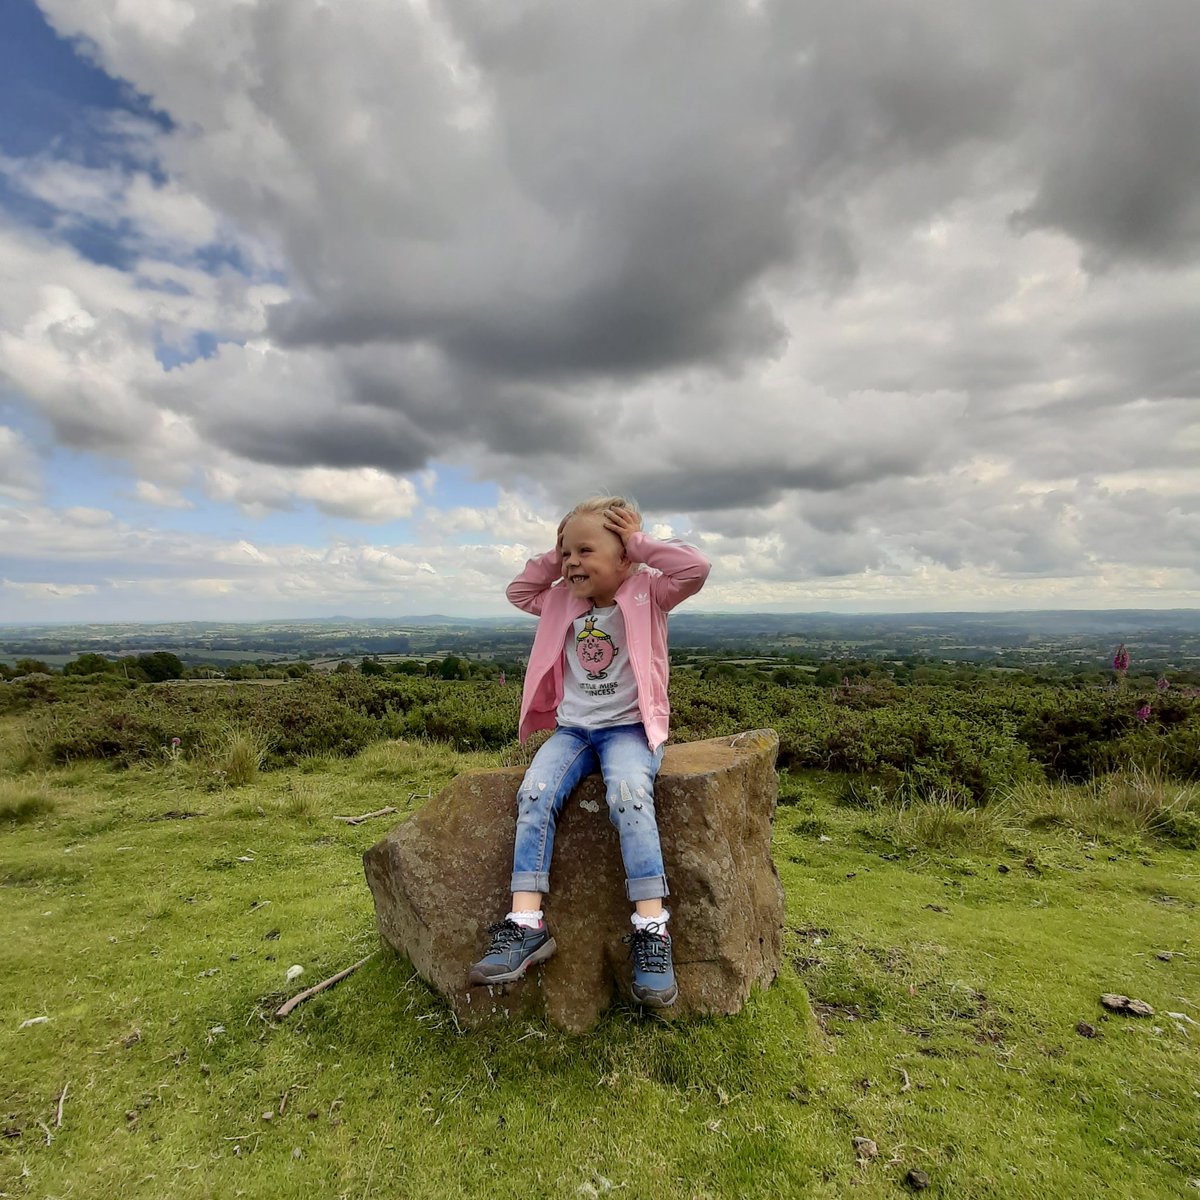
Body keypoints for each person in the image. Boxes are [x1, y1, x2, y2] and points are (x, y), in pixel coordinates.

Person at [468, 495, 710, 1006]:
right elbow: (519, 589)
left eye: (585, 551)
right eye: (565, 554)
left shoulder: (649, 590)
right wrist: (558, 552)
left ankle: (651, 929)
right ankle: (526, 922)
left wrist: (640, 545)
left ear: (624, 556)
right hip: (573, 730)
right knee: (533, 792)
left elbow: (696, 567)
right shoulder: (559, 599)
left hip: (628, 731)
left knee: (629, 796)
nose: (572, 563)